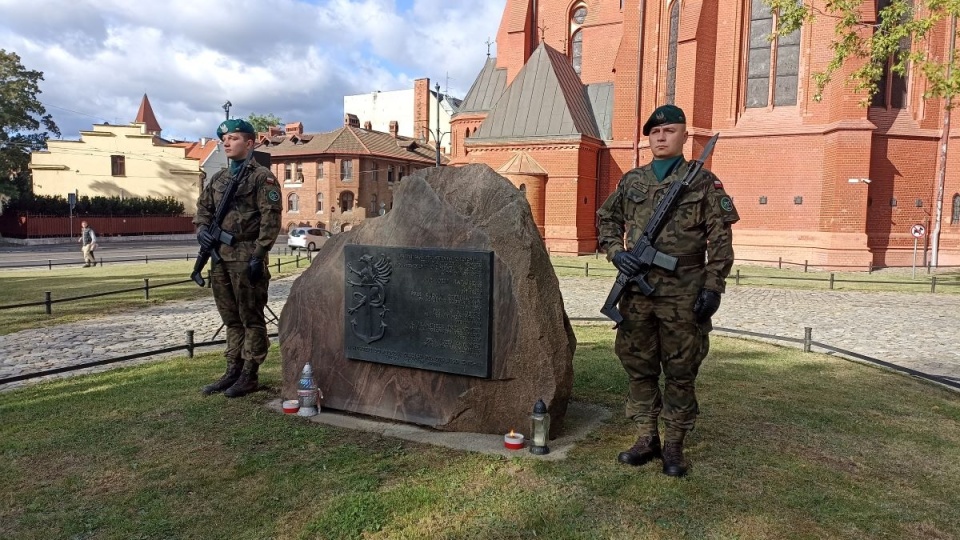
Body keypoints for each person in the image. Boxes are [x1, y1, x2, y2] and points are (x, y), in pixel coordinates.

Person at [596, 104, 739, 477]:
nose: (661, 137)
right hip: (637, 292)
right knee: (638, 365)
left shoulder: (703, 182)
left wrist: (713, 288)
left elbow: (720, 242)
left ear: (684, 136)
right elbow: (607, 219)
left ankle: (674, 443)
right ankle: (647, 437)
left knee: (681, 368)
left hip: (684, 292)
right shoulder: (632, 182)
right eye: (655, 132)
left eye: (670, 131)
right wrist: (617, 254)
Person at [194, 119, 282, 398]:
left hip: (246, 258)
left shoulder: (262, 177)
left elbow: (271, 218)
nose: (226, 143)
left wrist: (260, 254)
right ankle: (233, 369)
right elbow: (203, 209)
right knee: (231, 318)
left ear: (250, 143)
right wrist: (202, 232)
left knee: (251, 318)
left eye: (233, 138)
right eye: (224, 139)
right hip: (219, 257)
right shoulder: (219, 179)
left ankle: (250, 374)